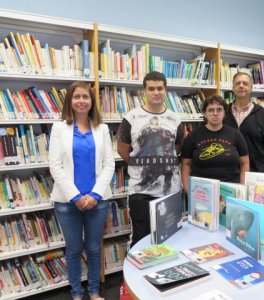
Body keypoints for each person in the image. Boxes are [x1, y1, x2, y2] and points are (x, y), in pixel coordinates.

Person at [49, 81, 115, 300]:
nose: (81, 101)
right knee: (74, 250)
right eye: (76, 97)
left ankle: (94, 291)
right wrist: (76, 197)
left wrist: (95, 195)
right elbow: (55, 166)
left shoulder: (102, 128)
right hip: (67, 202)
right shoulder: (59, 128)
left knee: (94, 248)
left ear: (91, 101)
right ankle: (76, 293)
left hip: (98, 201)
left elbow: (109, 164)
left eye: (85, 97)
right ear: (70, 100)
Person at [117, 71, 182, 248]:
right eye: (151, 88)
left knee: (170, 237)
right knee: (141, 239)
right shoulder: (131, 118)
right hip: (140, 190)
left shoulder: (175, 119)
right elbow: (122, 148)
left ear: (165, 90)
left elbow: (178, 147)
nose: (156, 92)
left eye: (160, 88)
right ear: (144, 92)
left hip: (170, 190)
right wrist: (139, 164)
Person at [181, 95, 250, 194]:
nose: (215, 113)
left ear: (224, 113)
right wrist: (188, 190)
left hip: (230, 190)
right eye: (211, 110)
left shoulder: (236, 135)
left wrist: (242, 189)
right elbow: (186, 164)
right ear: (205, 113)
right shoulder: (193, 136)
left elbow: (245, 163)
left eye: (219, 110)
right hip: (201, 190)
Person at [224, 72, 264, 173]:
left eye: (245, 83)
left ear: (251, 88)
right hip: (230, 172)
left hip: (257, 171)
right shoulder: (224, 112)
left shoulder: (261, 113)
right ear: (233, 88)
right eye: (238, 83)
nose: (241, 86)